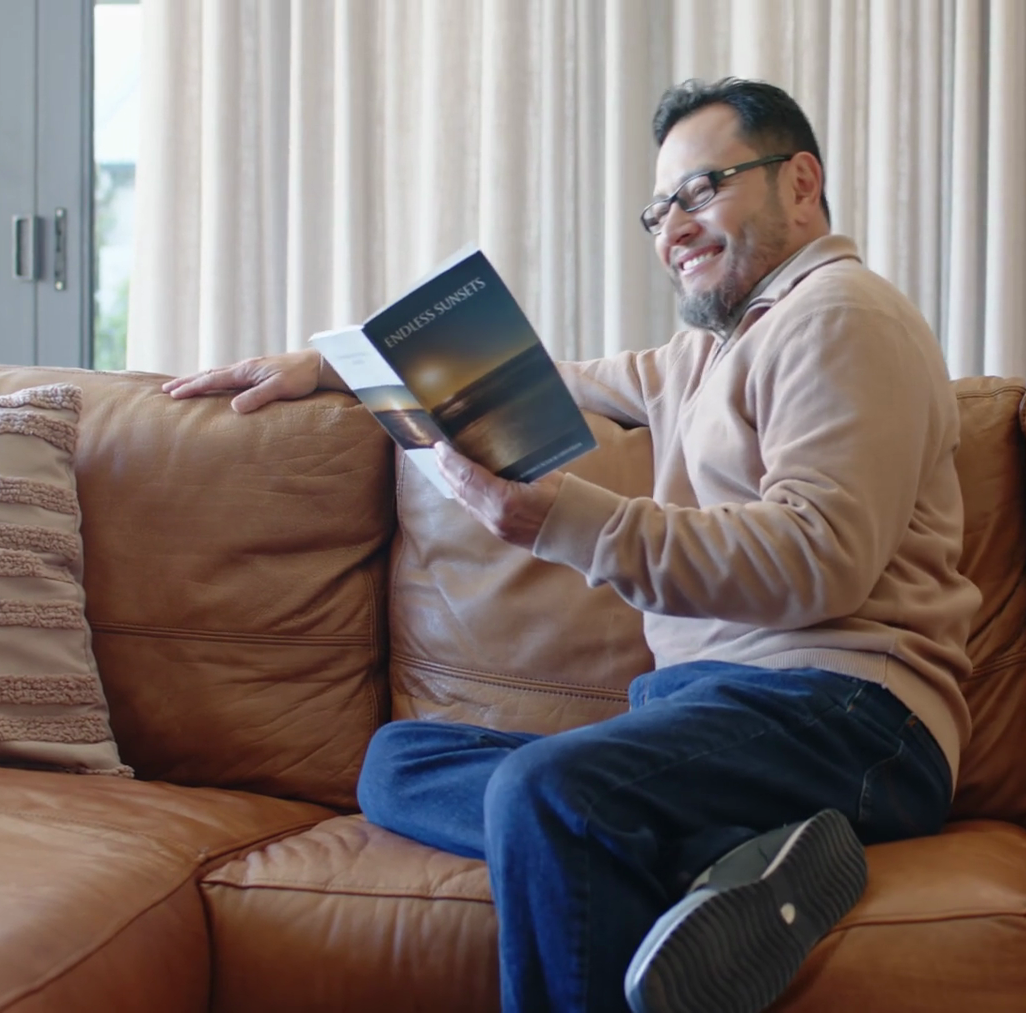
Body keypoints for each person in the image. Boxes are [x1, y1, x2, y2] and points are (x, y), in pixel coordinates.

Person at [163, 77, 978, 1013]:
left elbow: (818, 558)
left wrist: (554, 520)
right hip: (726, 713)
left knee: (549, 792)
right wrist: (333, 364)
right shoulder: (704, 353)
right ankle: (735, 863)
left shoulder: (840, 314)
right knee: (399, 760)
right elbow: (540, 379)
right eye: (660, 209)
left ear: (800, 182)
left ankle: (694, 847)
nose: (674, 228)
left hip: (853, 720)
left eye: (702, 189)